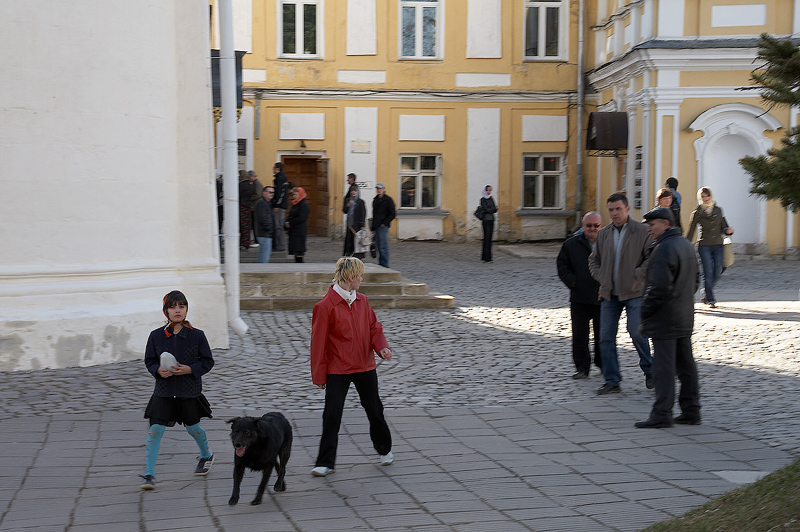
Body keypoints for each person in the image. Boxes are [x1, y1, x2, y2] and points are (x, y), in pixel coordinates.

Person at [309, 257, 394, 477]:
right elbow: (317, 344)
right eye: (360, 276)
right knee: (332, 415)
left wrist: (382, 348)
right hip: (338, 370)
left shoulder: (363, 301)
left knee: (375, 409)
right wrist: (319, 375)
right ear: (350, 277)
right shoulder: (324, 307)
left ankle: (384, 450)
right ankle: (325, 462)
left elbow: (374, 328)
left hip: (365, 366)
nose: (362, 280)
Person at [140, 290, 215, 490]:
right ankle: (149, 474)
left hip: (189, 391)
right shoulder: (156, 336)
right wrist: (157, 371)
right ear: (166, 311)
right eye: (173, 307)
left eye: (181, 306)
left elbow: (207, 362)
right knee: (155, 430)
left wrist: (190, 369)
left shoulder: (197, 336)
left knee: (193, 428)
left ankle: (206, 455)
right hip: (163, 391)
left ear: (186, 309)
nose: (177, 310)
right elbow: (149, 361)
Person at [635, 207, 701, 428]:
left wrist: (644, 309)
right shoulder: (685, 245)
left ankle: (662, 413)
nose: (648, 229)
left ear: (665, 224)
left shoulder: (664, 248)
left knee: (663, 367)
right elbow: (695, 282)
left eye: (651, 225)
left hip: (665, 318)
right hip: (683, 315)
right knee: (686, 365)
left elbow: (659, 287)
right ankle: (691, 411)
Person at [589, 193, 654, 394]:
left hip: (634, 291)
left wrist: (638, 274)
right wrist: (601, 276)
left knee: (636, 332)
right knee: (605, 337)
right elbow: (593, 260)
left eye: (618, 209)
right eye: (610, 210)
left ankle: (650, 369)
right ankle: (612, 380)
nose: (614, 213)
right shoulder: (604, 233)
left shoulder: (641, 231)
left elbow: (650, 258)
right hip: (610, 293)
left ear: (627, 209)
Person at [556, 212, 603, 379]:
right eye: (588, 225)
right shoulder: (571, 244)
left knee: (602, 336)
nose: (592, 229)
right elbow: (562, 266)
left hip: (601, 298)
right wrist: (574, 283)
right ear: (583, 226)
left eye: (596, 226)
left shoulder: (607, 243)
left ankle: (602, 364)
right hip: (579, 298)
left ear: (601, 226)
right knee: (579, 336)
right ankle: (582, 368)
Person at [686, 187, 734, 308]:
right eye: (703, 197)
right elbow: (691, 230)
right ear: (700, 198)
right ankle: (710, 299)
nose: (706, 199)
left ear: (711, 196)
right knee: (708, 272)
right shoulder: (697, 212)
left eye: (707, 196)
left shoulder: (718, 210)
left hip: (718, 245)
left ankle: (705, 291)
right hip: (704, 245)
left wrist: (728, 230)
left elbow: (724, 226)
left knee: (718, 271)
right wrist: (685, 245)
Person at [372, 182, 396, 268]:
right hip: (377, 225)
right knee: (378, 246)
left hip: (383, 226)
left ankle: (385, 265)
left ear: (384, 189)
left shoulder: (388, 200)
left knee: (383, 246)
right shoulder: (375, 200)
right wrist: (372, 227)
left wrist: (385, 223)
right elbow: (374, 214)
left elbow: (392, 213)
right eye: (378, 188)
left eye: (380, 188)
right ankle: (381, 264)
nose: (379, 190)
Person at [285, 186, 310, 263]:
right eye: (293, 195)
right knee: (295, 249)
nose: (294, 197)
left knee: (299, 250)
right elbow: (291, 215)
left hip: (300, 230)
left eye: (295, 195)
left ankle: (299, 264)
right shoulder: (295, 204)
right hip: (294, 230)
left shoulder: (304, 205)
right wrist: (287, 222)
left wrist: (290, 223)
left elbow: (302, 218)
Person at [343, 184, 366, 257]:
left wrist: (362, 225)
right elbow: (344, 211)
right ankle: (348, 253)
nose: (353, 192)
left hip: (357, 223)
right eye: (352, 191)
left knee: (356, 240)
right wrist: (348, 205)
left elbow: (363, 213)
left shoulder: (360, 202)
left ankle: (357, 254)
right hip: (349, 223)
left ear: (357, 192)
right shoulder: (348, 200)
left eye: (355, 191)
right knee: (349, 239)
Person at [254, 186, 275, 263]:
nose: (272, 194)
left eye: (273, 192)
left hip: (265, 232)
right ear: (264, 193)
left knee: (264, 253)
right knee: (264, 254)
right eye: (270, 192)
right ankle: (261, 271)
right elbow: (262, 218)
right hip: (264, 232)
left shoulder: (266, 203)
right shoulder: (262, 203)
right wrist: (268, 227)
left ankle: (260, 269)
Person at [272, 162, 289, 252]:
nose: (273, 169)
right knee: (279, 226)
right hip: (282, 205)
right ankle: (279, 245)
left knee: (278, 227)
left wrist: (276, 204)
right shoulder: (282, 178)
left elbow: (280, 193)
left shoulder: (280, 178)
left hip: (280, 206)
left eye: (274, 168)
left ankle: (280, 246)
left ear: (277, 168)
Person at [479, 184, 498, 263]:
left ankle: (489, 257)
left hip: (491, 219)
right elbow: (486, 209)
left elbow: (495, 209)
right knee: (486, 238)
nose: (488, 191)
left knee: (490, 239)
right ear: (484, 191)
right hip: (486, 219)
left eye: (490, 190)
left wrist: (491, 209)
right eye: (487, 190)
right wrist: (491, 209)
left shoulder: (491, 199)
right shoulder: (483, 199)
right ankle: (486, 257)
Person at [238, 170, 256, 250]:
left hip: (242, 206)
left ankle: (243, 243)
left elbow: (238, 195)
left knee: (243, 226)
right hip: (248, 206)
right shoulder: (250, 185)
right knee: (247, 226)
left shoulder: (241, 185)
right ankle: (246, 243)